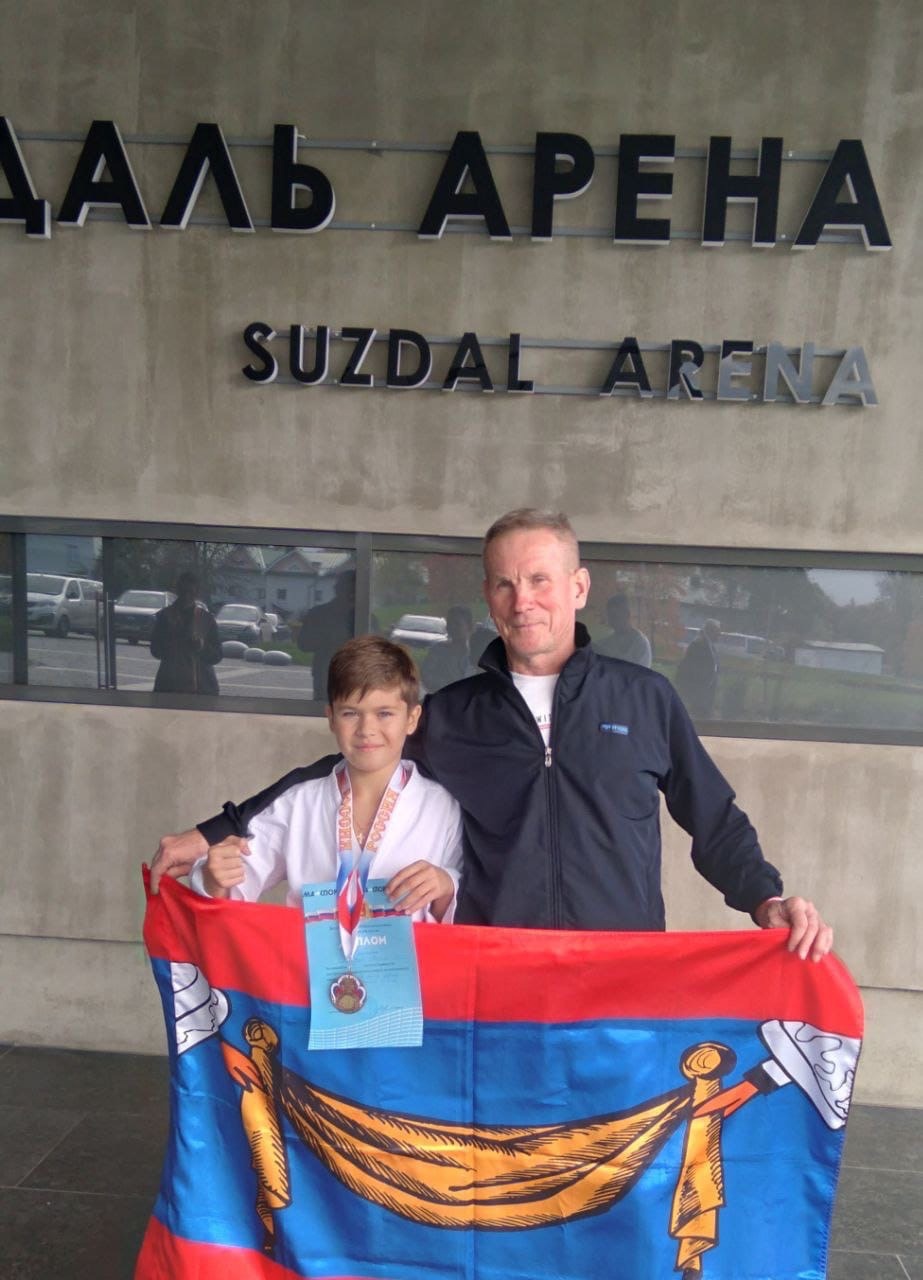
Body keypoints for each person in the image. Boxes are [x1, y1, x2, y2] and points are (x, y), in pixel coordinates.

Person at [153, 510, 832, 960]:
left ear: (578, 587)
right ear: (488, 596)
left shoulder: (644, 698)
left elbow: (713, 818)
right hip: (492, 972)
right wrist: (214, 832)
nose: (522, 599)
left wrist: (765, 900)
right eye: (505, 584)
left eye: (539, 580)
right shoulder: (455, 714)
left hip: (617, 969)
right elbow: (347, 761)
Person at [189, 635, 462, 922]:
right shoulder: (297, 804)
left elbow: (464, 909)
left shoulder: (442, 807)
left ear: (412, 718)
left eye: (384, 713)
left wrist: (445, 885)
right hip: (306, 953)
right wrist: (214, 878)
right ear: (331, 718)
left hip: (411, 952)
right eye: (350, 713)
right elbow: (233, 887)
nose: (366, 729)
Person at [149, 571, 222, 694]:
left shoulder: (207, 619)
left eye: (190, 592)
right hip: (170, 685)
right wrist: (173, 643)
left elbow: (217, 655)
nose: (187, 596)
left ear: (197, 593)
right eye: (183, 592)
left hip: (200, 686)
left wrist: (202, 646)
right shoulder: (165, 616)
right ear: (177, 591)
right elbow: (155, 650)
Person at [298, 571, 356, 701]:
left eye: (351, 589)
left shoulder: (365, 617)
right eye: (346, 588)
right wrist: (327, 640)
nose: (350, 593)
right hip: (325, 676)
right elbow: (303, 643)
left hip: (357, 678)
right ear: (338, 589)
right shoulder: (319, 614)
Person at [421, 604, 477, 692]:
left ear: (469, 626)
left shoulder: (477, 652)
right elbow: (426, 675)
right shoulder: (438, 651)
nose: (452, 627)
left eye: (457, 624)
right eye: (450, 623)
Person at [675, 619, 721, 717]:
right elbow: (691, 669)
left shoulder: (708, 645)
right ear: (711, 631)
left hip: (705, 694)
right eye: (718, 631)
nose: (719, 634)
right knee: (699, 717)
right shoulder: (699, 644)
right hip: (699, 694)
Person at [594, 592, 652, 667]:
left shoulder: (641, 644)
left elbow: (641, 673)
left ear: (627, 614)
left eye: (615, 616)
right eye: (610, 616)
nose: (611, 621)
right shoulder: (605, 643)